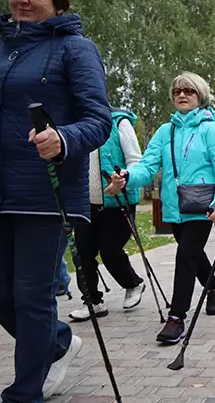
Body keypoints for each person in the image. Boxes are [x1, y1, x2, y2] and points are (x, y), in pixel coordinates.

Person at [0, 0, 112, 402]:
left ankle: (24, 393)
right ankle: (56, 343)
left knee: (32, 297)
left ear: (56, 0)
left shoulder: (76, 49)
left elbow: (98, 120)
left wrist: (63, 138)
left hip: (44, 192)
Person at [106, 72, 215, 344]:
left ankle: (177, 317)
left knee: (185, 255)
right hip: (174, 207)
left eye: (188, 90)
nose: (182, 95)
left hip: (202, 206)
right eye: (177, 91)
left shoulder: (211, 129)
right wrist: (127, 177)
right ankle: (214, 288)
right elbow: (147, 166)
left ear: (200, 95)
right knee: (193, 253)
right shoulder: (166, 131)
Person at [69, 106, 147, 321]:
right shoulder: (73, 122)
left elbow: (134, 159)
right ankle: (93, 301)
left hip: (118, 199)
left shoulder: (119, 122)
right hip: (86, 201)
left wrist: (125, 177)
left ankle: (133, 283)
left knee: (110, 249)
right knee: (83, 253)